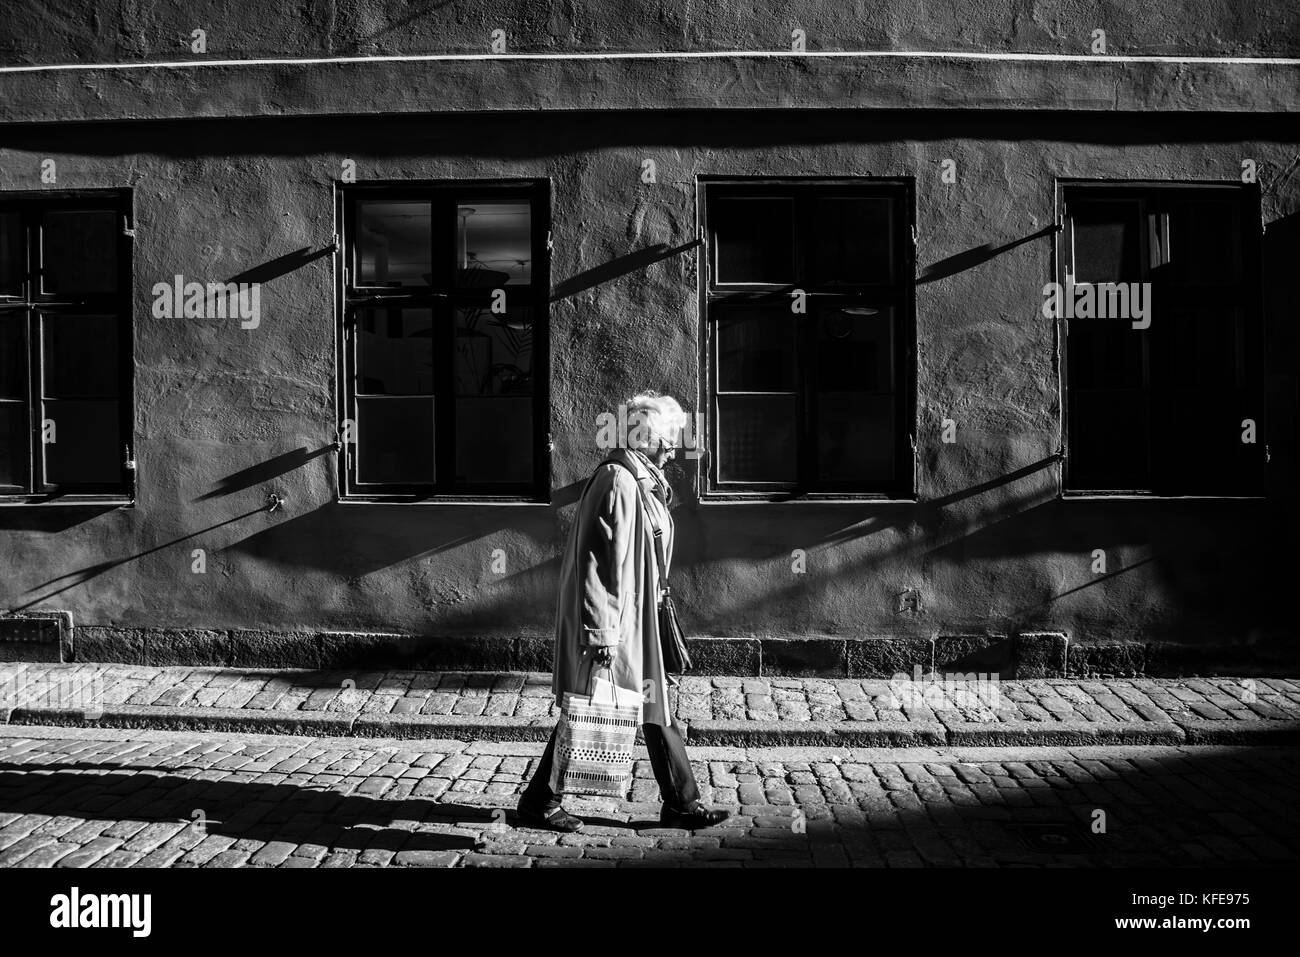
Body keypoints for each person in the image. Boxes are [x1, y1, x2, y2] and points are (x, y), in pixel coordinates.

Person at [516, 392, 730, 832]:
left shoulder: (642, 479)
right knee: (598, 705)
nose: (674, 448)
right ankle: (540, 800)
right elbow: (600, 564)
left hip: (643, 619)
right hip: (620, 623)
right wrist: (602, 633)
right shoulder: (618, 479)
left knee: (653, 706)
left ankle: (680, 803)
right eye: (669, 439)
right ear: (646, 438)